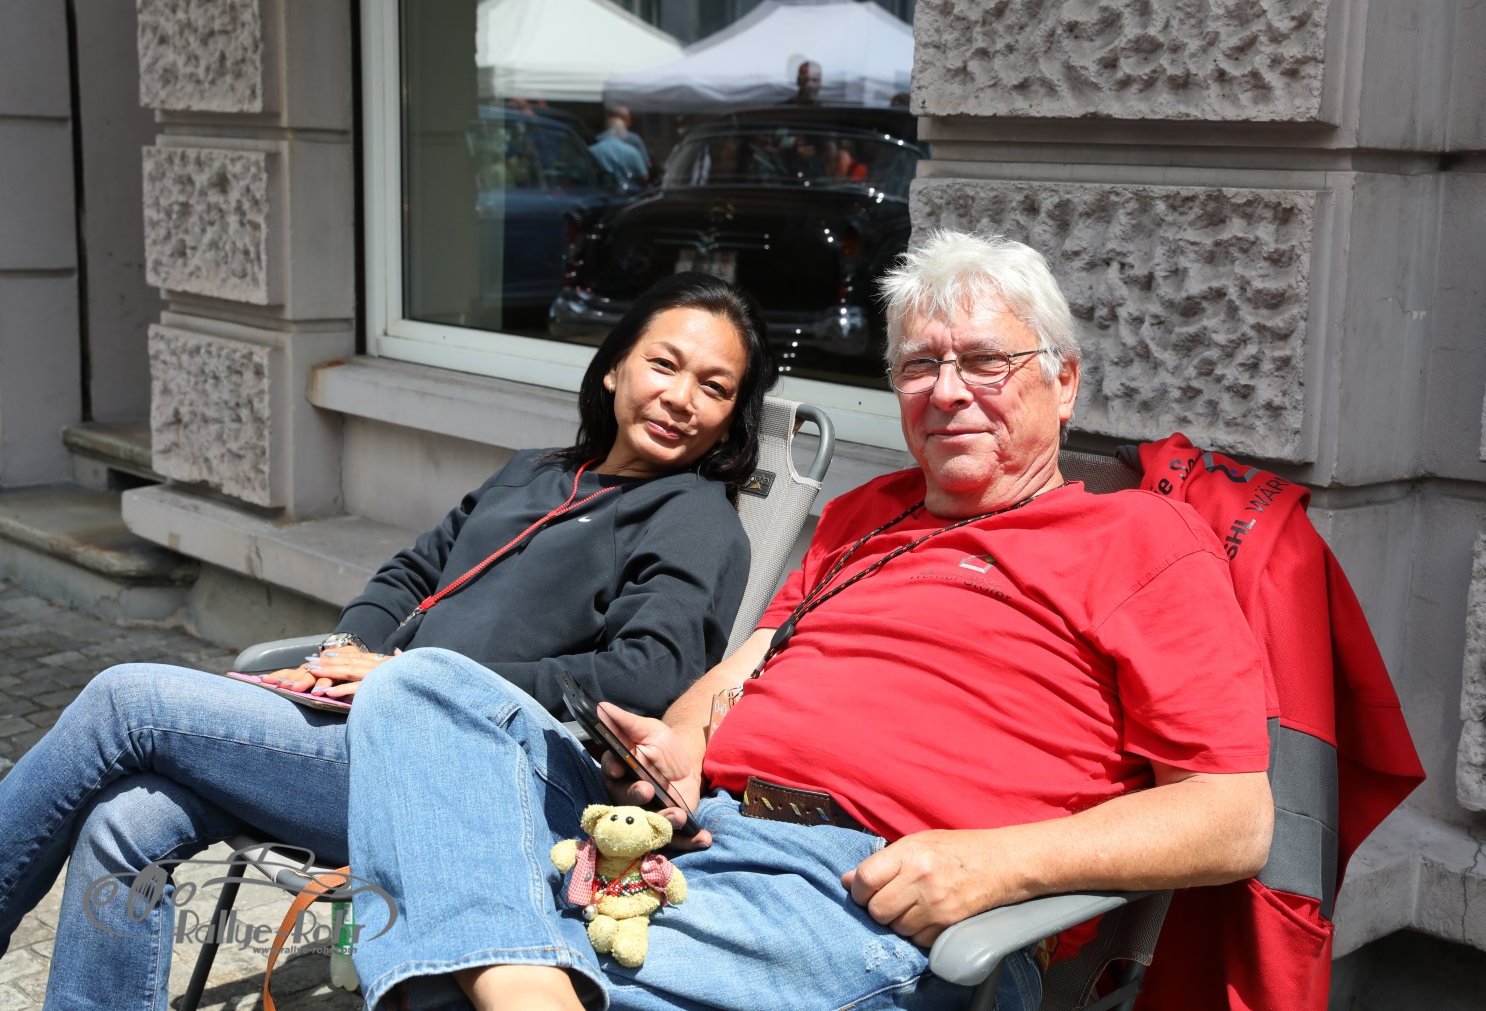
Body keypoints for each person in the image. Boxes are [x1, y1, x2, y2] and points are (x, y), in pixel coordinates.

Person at [343, 231, 1275, 1010]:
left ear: (1064, 382)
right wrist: (680, 744)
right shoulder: (865, 518)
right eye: (920, 366)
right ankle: (518, 967)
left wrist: (1001, 865)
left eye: (987, 362)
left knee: (439, 942)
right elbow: (741, 668)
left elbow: (1234, 817)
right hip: (700, 843)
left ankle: (506, 959)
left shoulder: (1140, 538)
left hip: (870, 895)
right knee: (420, 690)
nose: (949, 391)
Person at [0, 272, 778, 1011]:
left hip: (470, 781)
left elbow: (644, 675)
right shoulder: (534, 472)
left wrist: (420, 681)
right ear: (614, 368)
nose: (681, 398)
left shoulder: (695, 518)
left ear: (731, 416)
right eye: (664, 364)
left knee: (126, 700)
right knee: (126, 818)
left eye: (714, 387)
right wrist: (341, 656)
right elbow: (411, 572)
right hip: (363, 728)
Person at [589, 120, 649, 192]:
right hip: (630, 194)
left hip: (599, 193)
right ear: (621, 132)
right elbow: (644, 177)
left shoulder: (592, 150)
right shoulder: (632, 151)